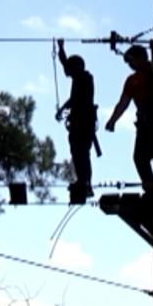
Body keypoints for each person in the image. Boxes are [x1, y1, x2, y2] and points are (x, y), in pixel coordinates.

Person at [105, 44, 153, 184]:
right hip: (144, 122)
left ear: (142, 58)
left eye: (132, 60)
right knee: (140, 158)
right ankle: (151, 188)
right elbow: (123, 102)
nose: (130, 65)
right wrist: (112, 120)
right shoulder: (132, 80)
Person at [56, 39, 97, 201]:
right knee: (77, 152)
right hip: (79, 123)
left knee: (81, 153)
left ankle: (85, 182)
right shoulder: (79, 78)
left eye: (70, 70)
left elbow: (75, 99)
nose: (67, 73)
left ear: (76, 68)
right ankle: (83, 181)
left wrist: (63, 109)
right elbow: (65, 64)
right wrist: (61, 48)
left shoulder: (84, 78)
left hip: (83, 123)